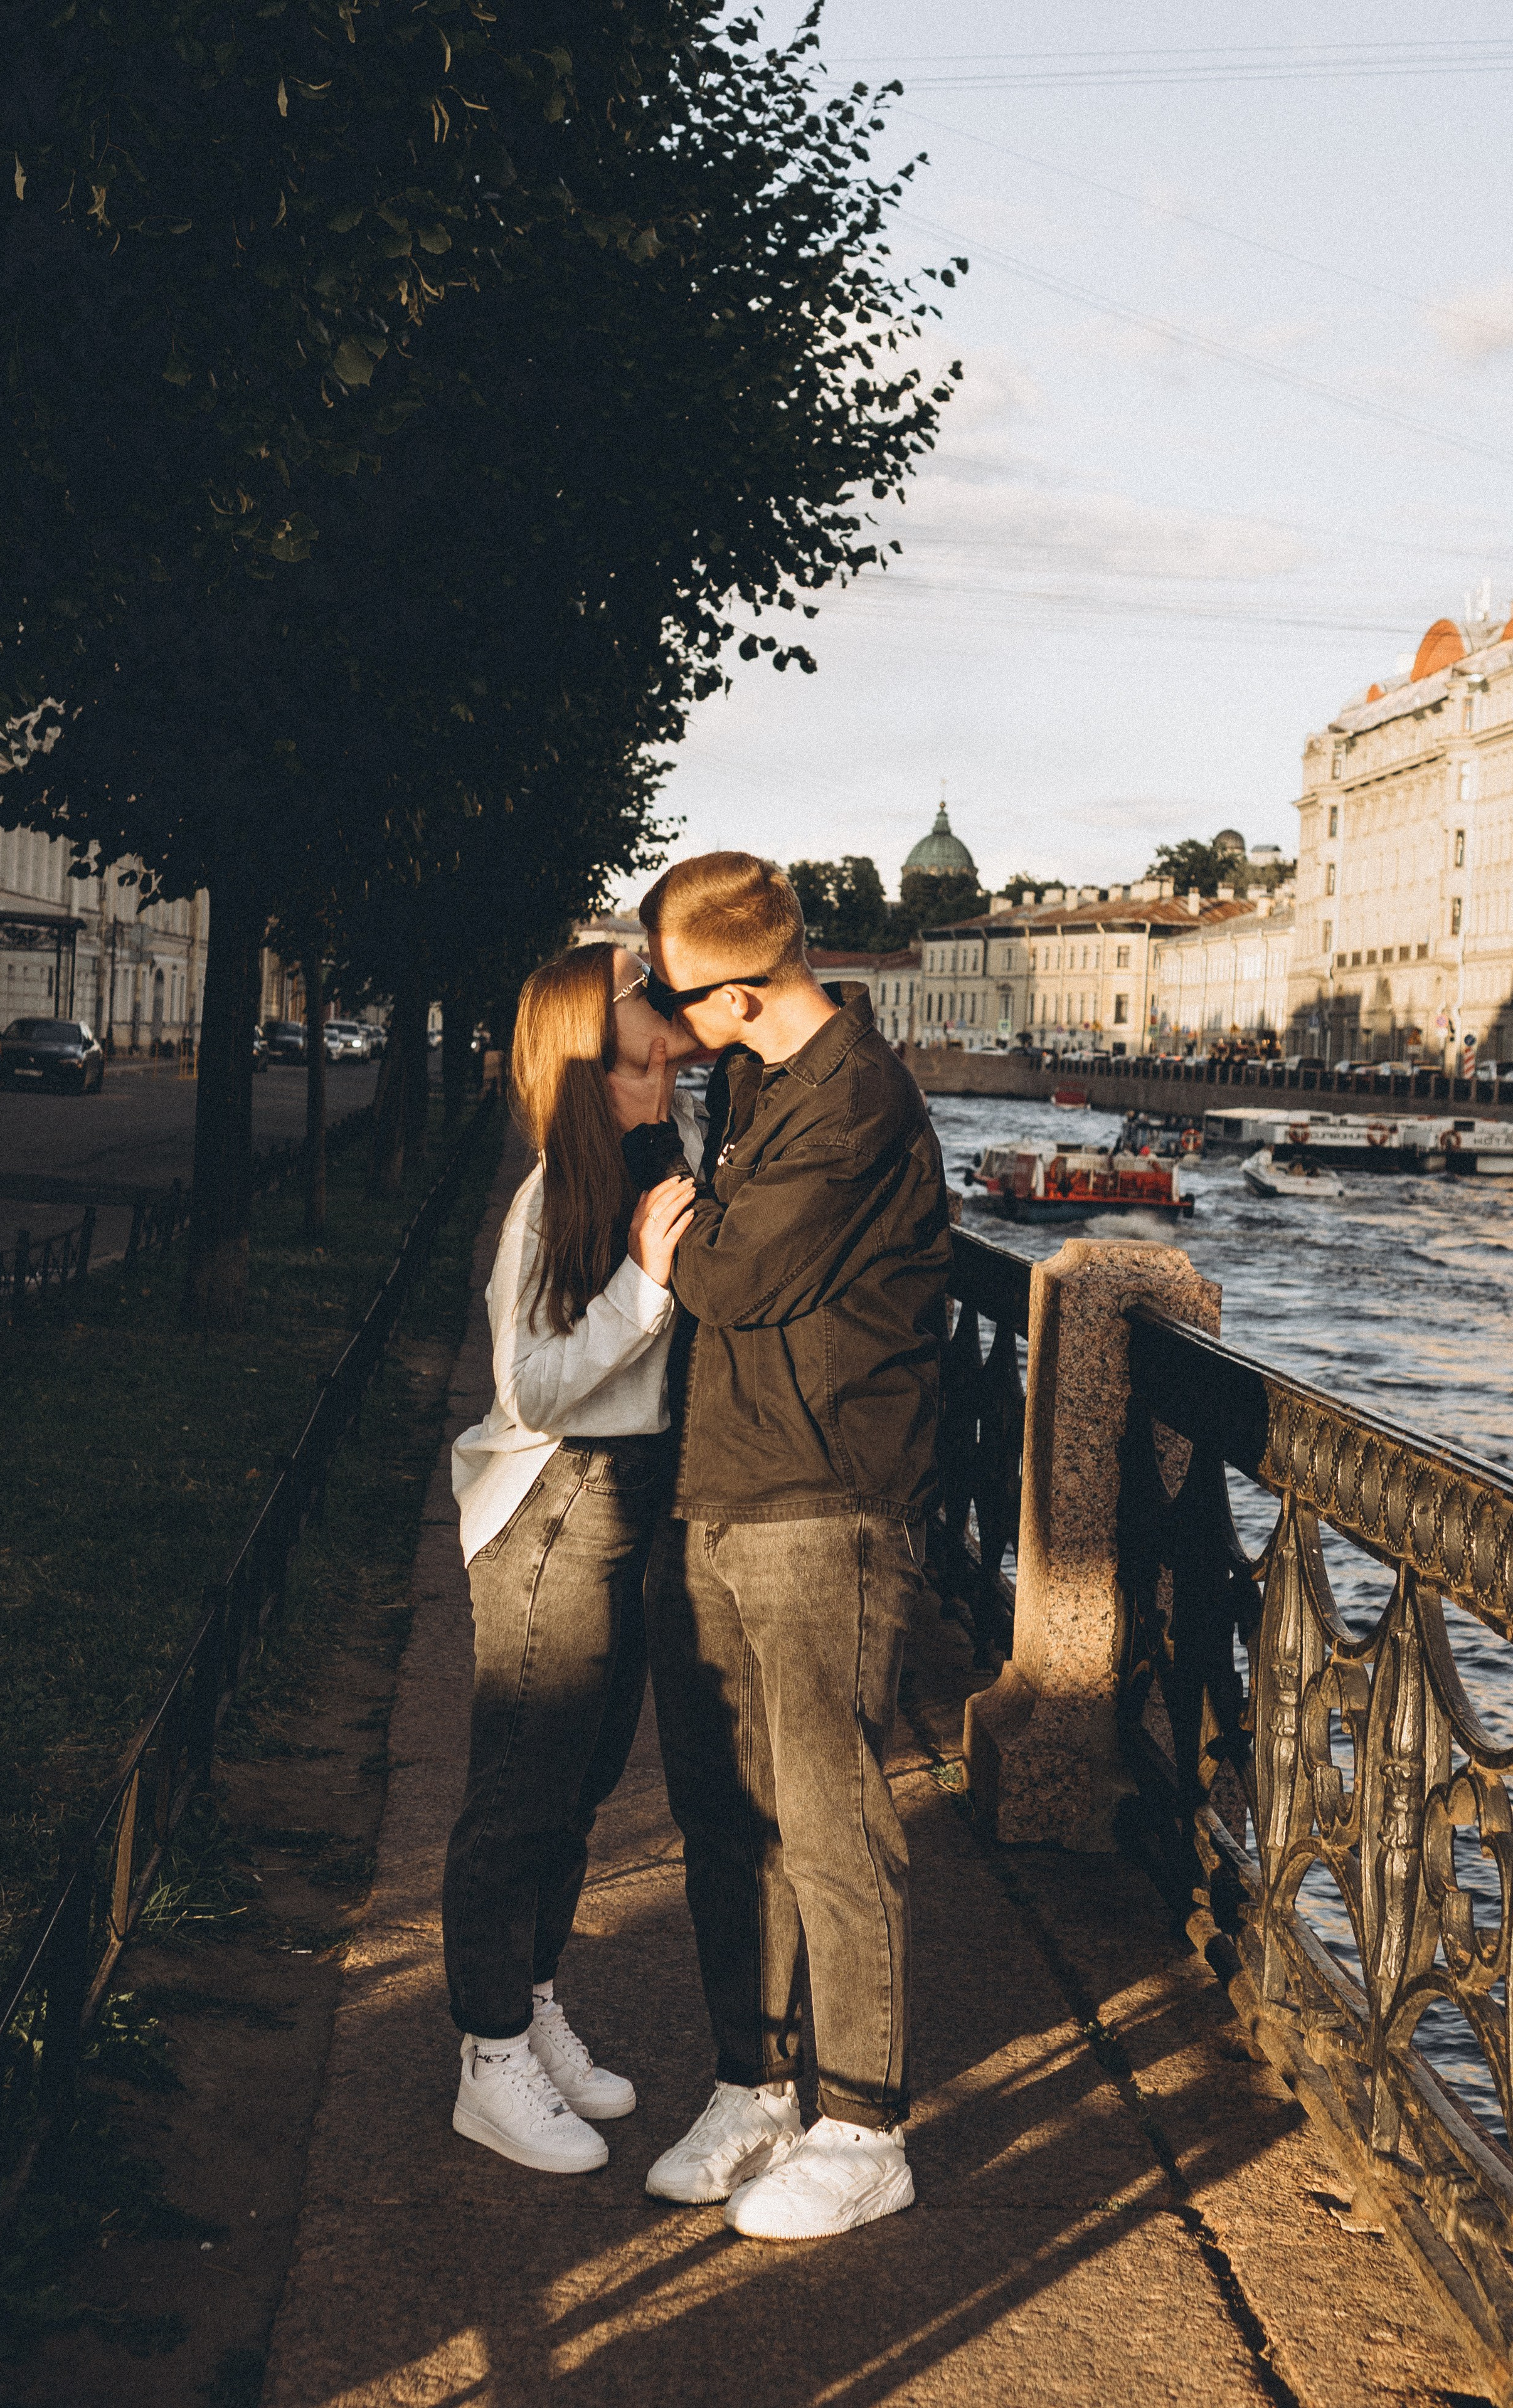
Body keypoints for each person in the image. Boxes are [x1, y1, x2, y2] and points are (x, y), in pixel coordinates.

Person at [611, 852, 951, 2243]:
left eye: (665, 993)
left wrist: (647, 1172)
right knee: (722, 1819)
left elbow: (733, 1273)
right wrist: (665, 1133)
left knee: (829, 1820)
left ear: (740, 992)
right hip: (722, 1483)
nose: (649, 1010)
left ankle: (865, 2127)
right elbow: (724, 1248)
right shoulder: (754, 1077)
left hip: (827, 1502)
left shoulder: (859, 1100)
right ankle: (753, 2087)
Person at [443, 944, 702, 2174]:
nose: (663, 1089)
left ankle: (530, 2003)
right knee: (518, 1798)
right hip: (551, 1507)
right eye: (642, 1070)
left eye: (666, 1068)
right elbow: (534, 1388)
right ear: (580, 1074)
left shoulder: (631, 1177)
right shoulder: (549, 1201)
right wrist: (647, 1286)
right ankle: (486, 2057)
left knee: (582, 1786)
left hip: (618, 1503)